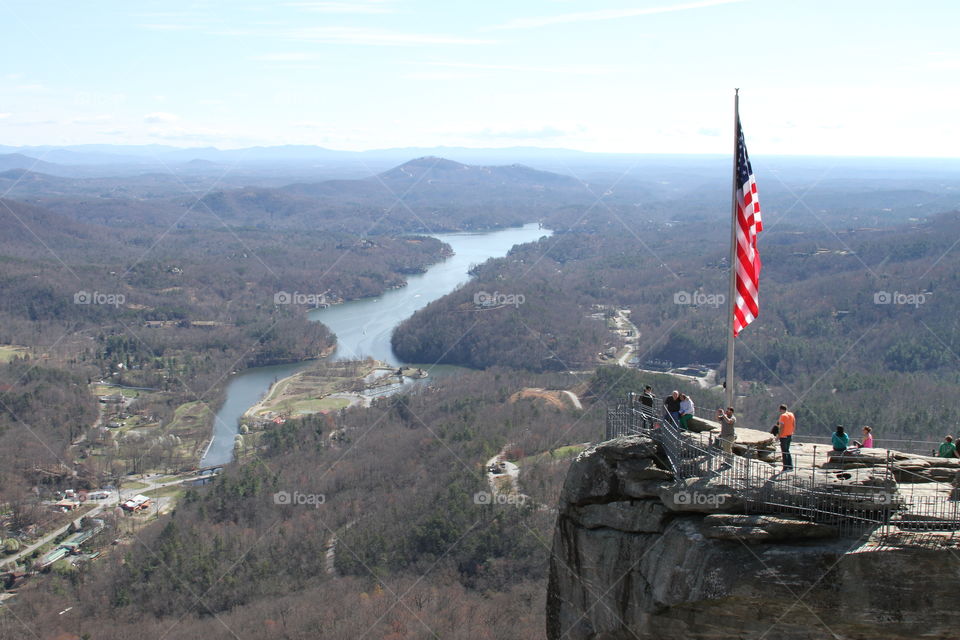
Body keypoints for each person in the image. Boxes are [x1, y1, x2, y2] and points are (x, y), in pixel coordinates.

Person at [776, 404, 796, 470]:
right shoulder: (791, 414)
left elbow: (781, 427)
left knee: (784, 452)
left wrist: (778, 436)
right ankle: (790, 466)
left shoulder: (783, 416)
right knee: (787, 450)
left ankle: (785, 467)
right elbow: (794, 424)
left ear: (781, 409)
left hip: (784, 436)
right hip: (790, 435)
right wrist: (792, 432)